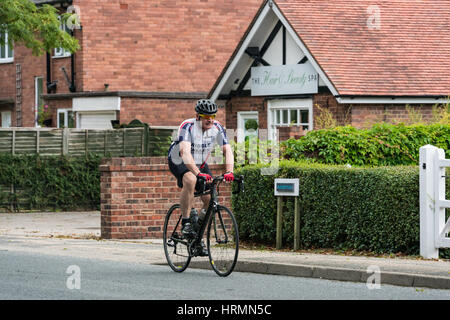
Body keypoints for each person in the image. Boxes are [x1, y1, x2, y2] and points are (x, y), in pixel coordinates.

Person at [168, 99, 234, 253]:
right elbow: (185, 152)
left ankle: (197, 236)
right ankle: (186, 223)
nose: (210, 119)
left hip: (200, 163)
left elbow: (227, 151)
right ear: (198, 116)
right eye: (206, 116)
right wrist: (198, 174)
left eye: (213, 116)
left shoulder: (217, 128)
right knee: (190, 179)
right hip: (180, 159)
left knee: (211, 199)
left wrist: (229, 171)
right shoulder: (187, 126)